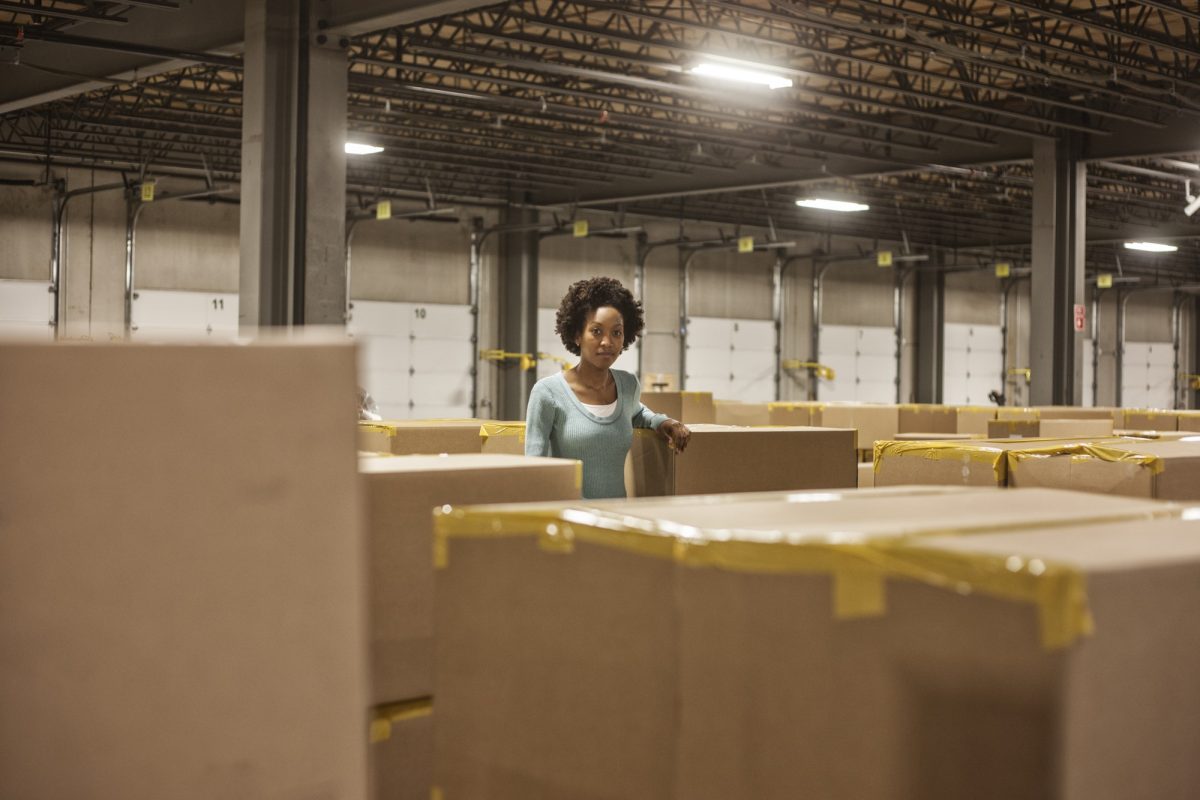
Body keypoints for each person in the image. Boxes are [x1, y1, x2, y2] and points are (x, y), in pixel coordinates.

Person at [526, 276, 690, 499]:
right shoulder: (547, 392)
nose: (607, 342)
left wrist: (664, 422)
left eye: (616, 332)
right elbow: (533, 469)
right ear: (577, 335)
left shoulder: (627, 385)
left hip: (616, 520)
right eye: (596, 331)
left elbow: (637, 412)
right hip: (571, 519)